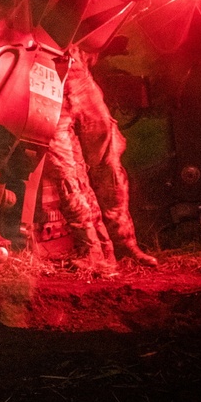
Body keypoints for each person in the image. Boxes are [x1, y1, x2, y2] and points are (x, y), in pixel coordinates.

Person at [50, 45, 158, 269]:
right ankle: (94, 250)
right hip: (44, 80)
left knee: (110, 163)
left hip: (77, 74)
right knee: (68, 172)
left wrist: (95, 46)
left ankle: (123, 243)